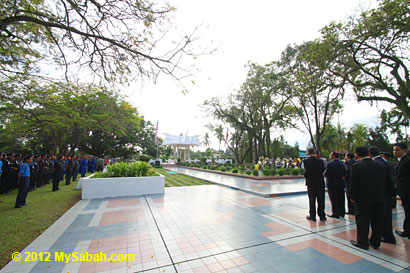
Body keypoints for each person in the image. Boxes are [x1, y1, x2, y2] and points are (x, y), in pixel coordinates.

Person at [349, 146, 386, 250]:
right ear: (368, 153)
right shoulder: (381, 165)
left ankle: (362, 242)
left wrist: (352, 197)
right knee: (377, 221)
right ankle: (376, 242)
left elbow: (353, 184)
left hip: (363, 199)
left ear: (357, 154)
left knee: (362, 221)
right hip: (379, 198)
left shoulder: (356, 166)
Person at [369, 146, 396, 244]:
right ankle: (387, 235)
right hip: (386, 193)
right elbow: (390, 180)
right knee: (386, 215)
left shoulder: (375, 164)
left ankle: (386, 236)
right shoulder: (385, 162)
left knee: (381, 217)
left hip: (379, 194)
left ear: (370, 154)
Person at [303, 148, 326, 221]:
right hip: (320, 181)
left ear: (308, 153)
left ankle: (312, 216)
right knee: (321, 199)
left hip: (311, 182)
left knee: (312, 199)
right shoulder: (320, 161)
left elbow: (305, 170)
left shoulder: (306, 161)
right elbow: (323, 170)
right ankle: (322, 215)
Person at [393, 143, 410, 239]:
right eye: (394, 150)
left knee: (408, 211)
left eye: (397, 150)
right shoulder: (400, 161)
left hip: (407, 190)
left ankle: (407, 231)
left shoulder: (407, 160)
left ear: (404, 150)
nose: (395, 152)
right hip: (403, 191)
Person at [325, 152, 347, 219]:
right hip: (340, 183)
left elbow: (327, 174)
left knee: (334, 199)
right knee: (341, 198)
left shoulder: (330, 164)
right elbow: (344, 173)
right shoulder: (341, 163)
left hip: (332, 183)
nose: (330, 156)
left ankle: (335, 213)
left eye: (331, 155)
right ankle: (342, 212)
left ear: (333, 156)